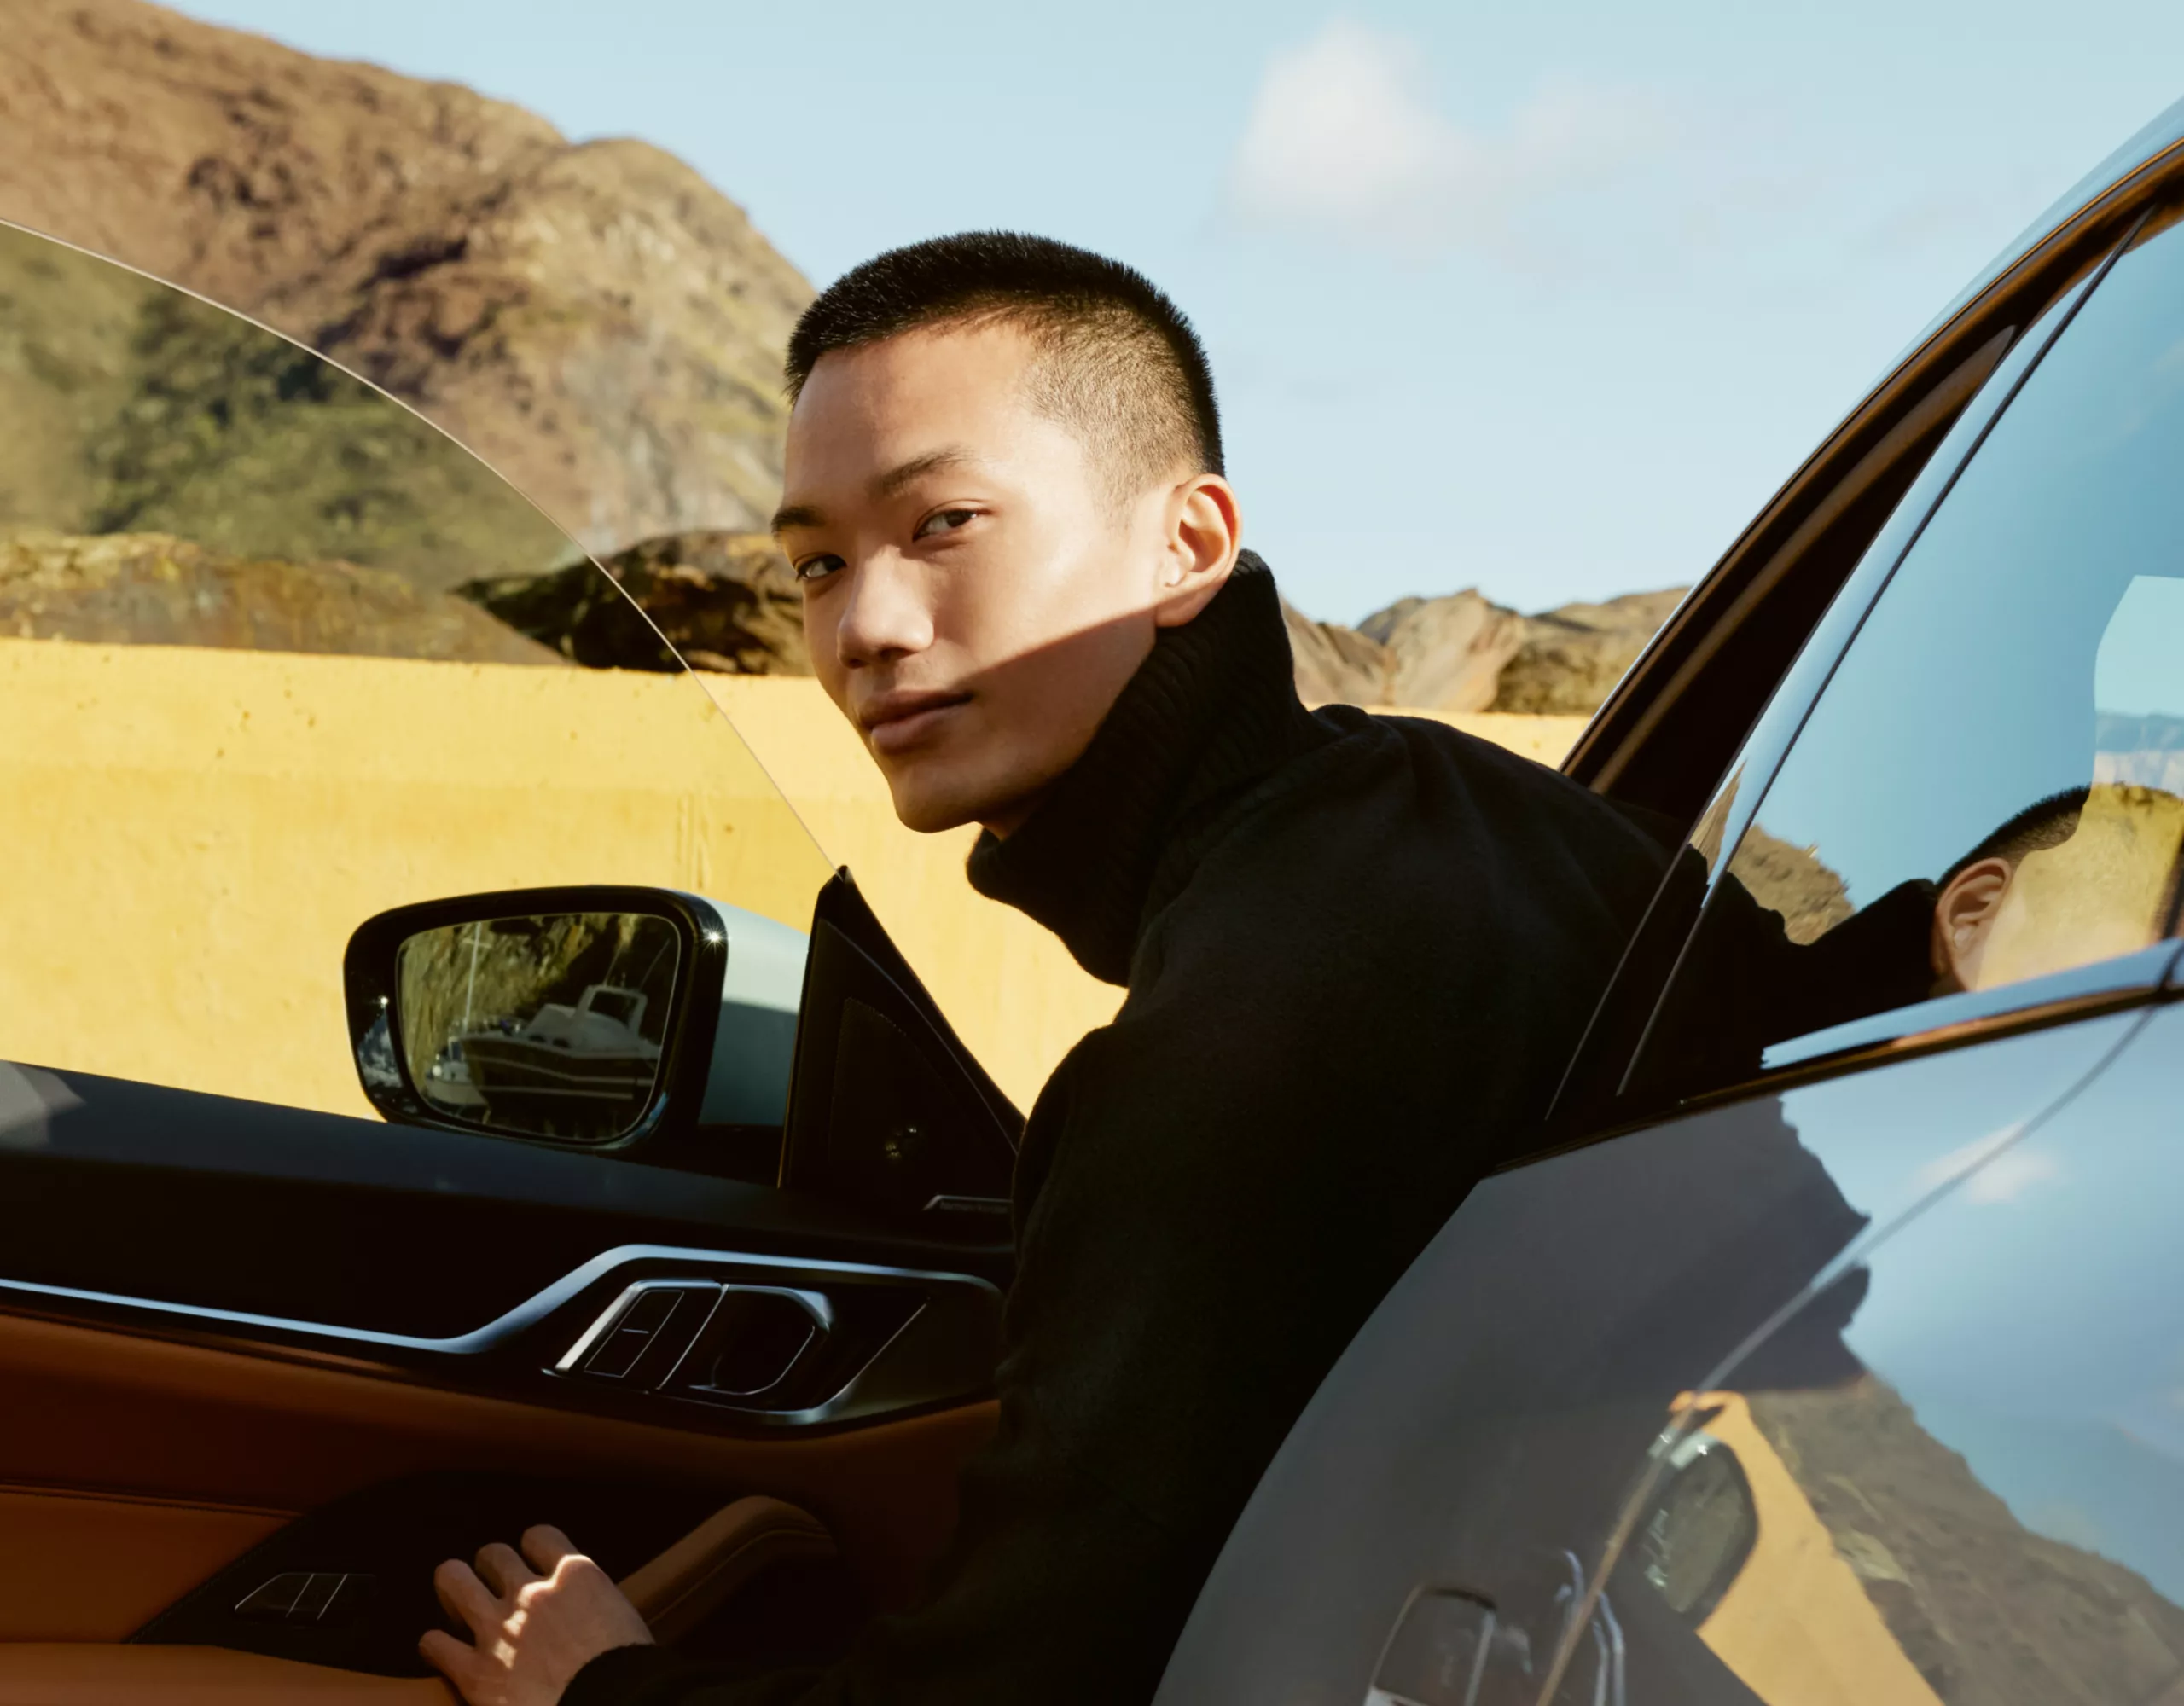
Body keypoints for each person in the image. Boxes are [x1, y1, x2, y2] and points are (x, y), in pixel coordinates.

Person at [417, 232, 1670, 1706]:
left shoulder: (1236, 1040)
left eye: (943, 522)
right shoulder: (1465, 822)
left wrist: (597, 1693)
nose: (864, 630)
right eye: (818, 563)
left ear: (1189, 544)